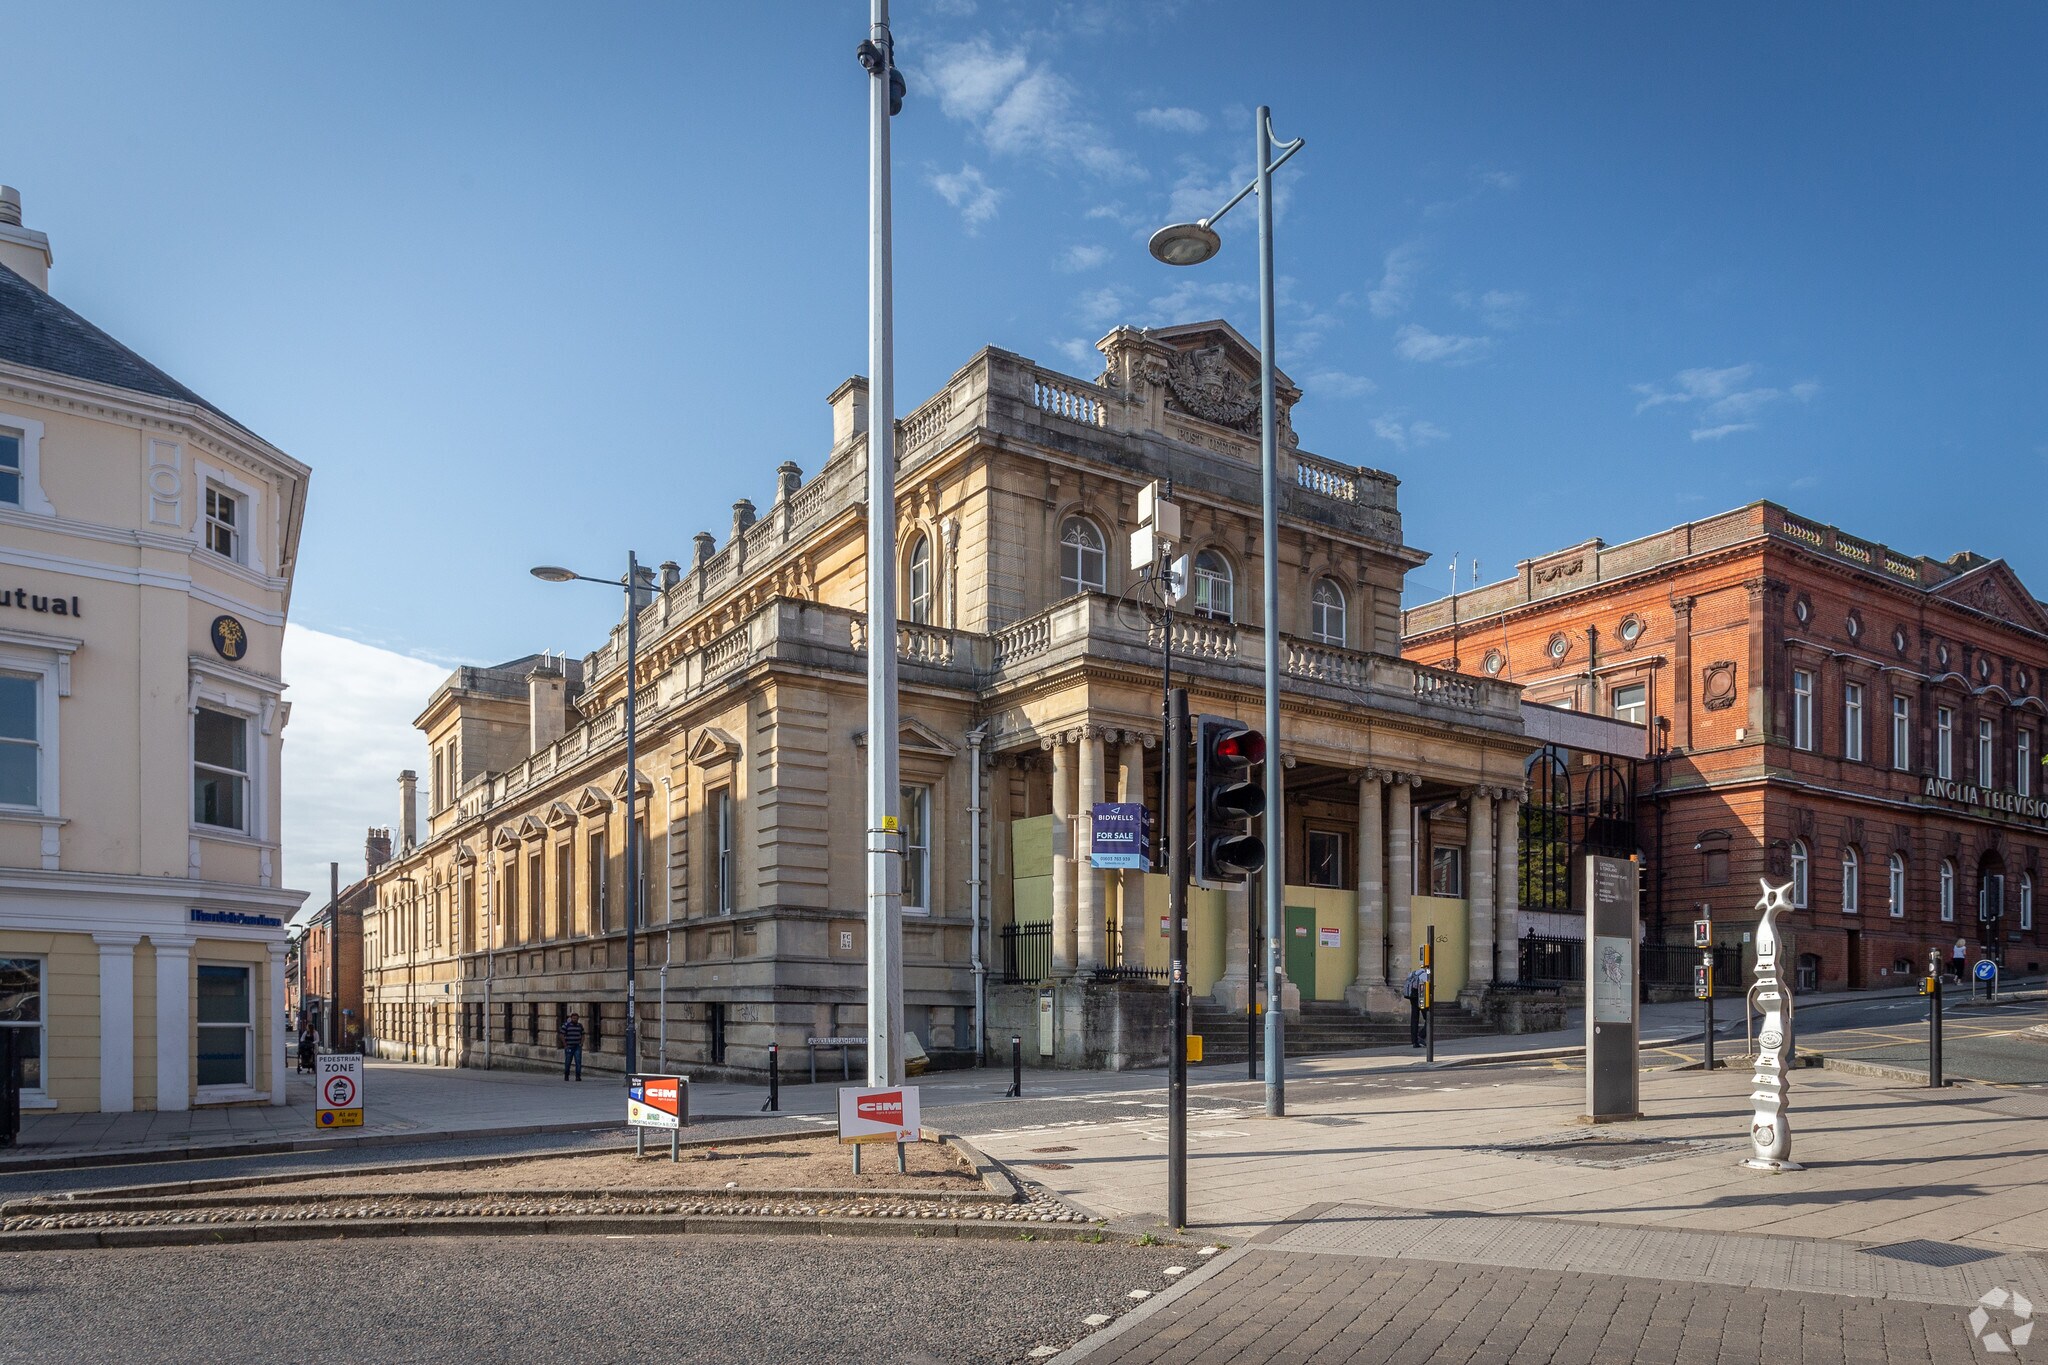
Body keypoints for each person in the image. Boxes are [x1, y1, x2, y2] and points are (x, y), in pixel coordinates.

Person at [1404, 957, 1431, 1048]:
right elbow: (1426, 985)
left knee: (1414, 1019)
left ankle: (1414, 1041)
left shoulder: (1414, 972)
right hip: (1421, 997)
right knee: (1429, 1017)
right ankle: (1421, 1036)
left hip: (1412, 997)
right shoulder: (1426, 973)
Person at [559, 1010, 585, 1081]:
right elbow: (561, 1035)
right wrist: (565, 1045)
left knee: (578, 1061)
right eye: (574, 1018)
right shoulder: (566, 1025)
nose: (575, 1020)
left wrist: (581, 1043)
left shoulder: (580, 1026)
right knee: (568, 1062)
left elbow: (583, 1034)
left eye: (576, 1018)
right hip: (569, 1046)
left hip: (577, 1046)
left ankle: (578, 1076)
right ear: (571, 1018)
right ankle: (566, 1075)